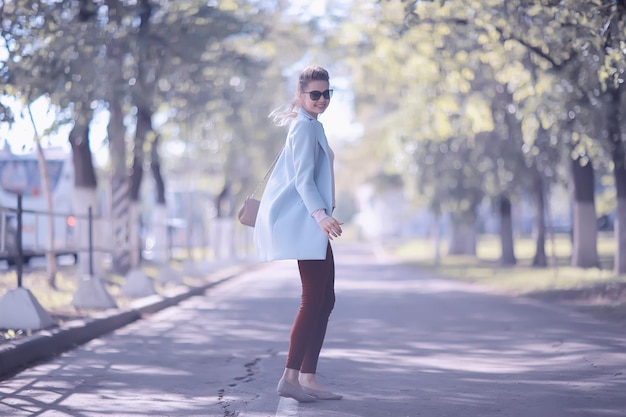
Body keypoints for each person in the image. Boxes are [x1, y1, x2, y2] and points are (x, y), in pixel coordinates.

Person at [253, 65, 343, 402]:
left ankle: (307, 376)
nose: (321, 99)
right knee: (313, 299)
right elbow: (304, 179)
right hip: (309, 223)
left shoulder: (312, 125)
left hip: (314, 224)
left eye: (326, 93)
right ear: (301, 95)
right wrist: (321, 216)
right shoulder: (304, 128)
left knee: (325, 298)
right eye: (315, 94)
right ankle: (291, 376)